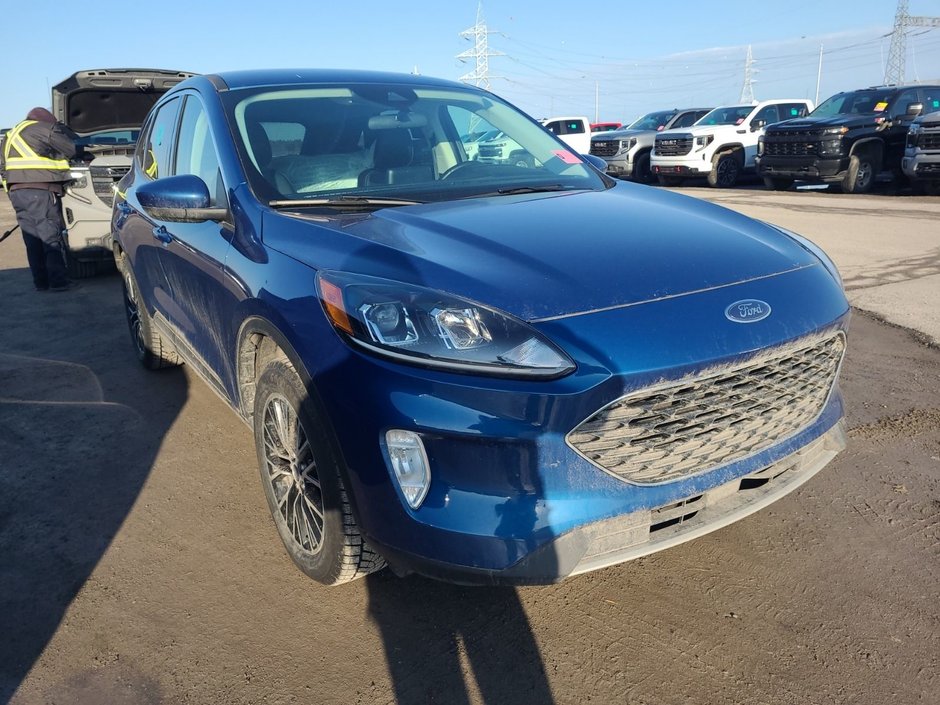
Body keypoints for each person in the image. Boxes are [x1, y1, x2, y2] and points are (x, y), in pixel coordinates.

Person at [0, 107, 79, 291]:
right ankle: (59, 282)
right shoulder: (43, 129)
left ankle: (41, 282)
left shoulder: (11, 134)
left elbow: (2, 167)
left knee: (33, 239)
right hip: (41, 190)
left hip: (17, 193)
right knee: (50, 235)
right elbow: (71, 149)